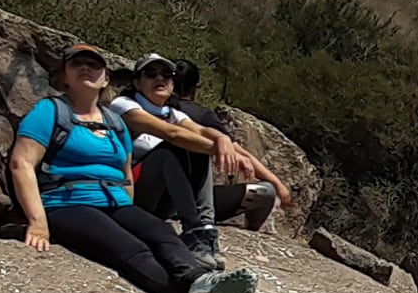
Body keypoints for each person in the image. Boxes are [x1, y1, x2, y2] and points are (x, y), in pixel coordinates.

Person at [7, 43, 259, 293]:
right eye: (78, 64)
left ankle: (203, 281)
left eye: (95, 64)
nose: (87, 68)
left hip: (115, 202)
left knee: (160, 233)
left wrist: (132, 216)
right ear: (64, 76)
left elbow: (125, 174)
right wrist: (38, 222)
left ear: (105, 79)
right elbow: (22, 164)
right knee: (130, 249)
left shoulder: (114, 122)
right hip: (68, 203)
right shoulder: (49, 111)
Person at [115, 55, 290, 265]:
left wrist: (221, 138)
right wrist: (219, 150)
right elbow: (172, 134)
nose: (159, 79)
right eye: (151, 74)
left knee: (195, 145)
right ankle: (193, 230)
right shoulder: (124, 106)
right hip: (133, 192)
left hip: (163, 201)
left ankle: (205, 231)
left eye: (166, 75)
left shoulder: (172, 113)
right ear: (136, 82)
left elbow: (201, 131)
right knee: (176, 147)